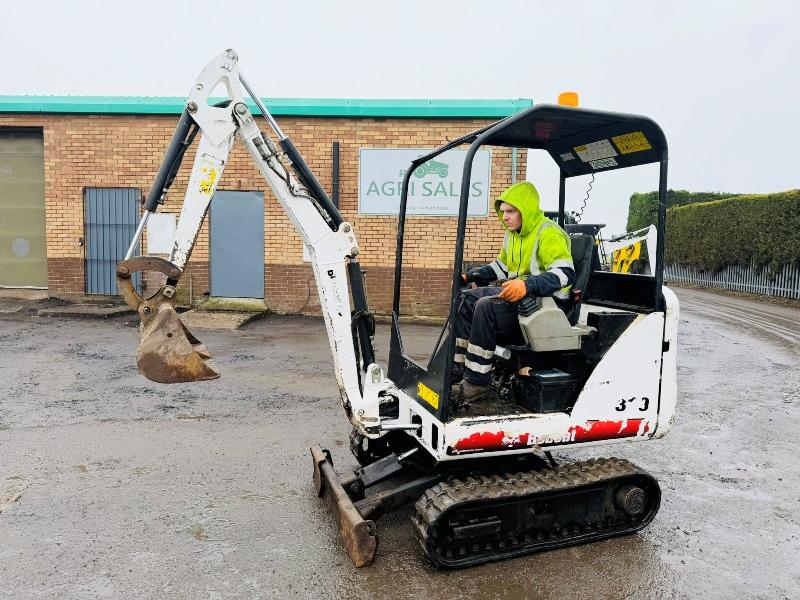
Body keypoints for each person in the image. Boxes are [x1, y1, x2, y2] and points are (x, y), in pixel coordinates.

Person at [453, 181, 575, 402]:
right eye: (503, 212)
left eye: (511, 211)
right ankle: (459, 369)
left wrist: (528, 285)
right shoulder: (513, 235)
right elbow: (502, 266)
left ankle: (477, 382)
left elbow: (565, 273)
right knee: (467, 299)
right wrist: (472, 275)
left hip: (546, 305)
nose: (505, 217)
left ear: (525, 210)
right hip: (522, 298)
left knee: (486, 306)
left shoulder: (548, 233)